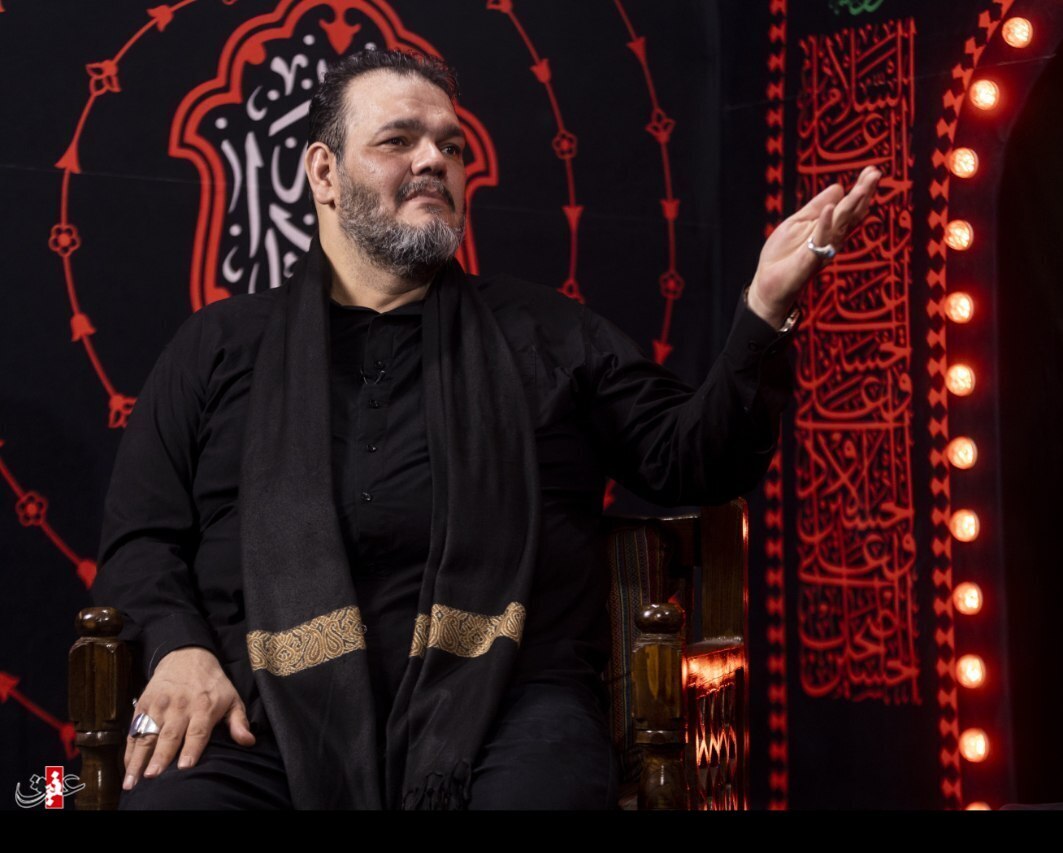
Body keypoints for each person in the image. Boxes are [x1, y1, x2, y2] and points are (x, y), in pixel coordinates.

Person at [93, 48, 880, 810]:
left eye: (451, 147)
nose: (433, 161)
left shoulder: (551, 337)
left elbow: (694, 461)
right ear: (323, 173)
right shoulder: (219, 348)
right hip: (263, 712)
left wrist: (764, 310)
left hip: (506, 707)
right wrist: (179, 646)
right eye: (398, 140)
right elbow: (140, 538)